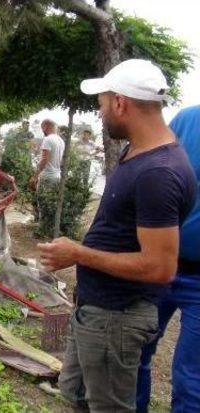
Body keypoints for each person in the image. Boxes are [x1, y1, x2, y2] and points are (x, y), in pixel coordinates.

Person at [37, 59, 197, 412]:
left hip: (117, 316)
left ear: (121, 103)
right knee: (76, 393)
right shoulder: (137, 151)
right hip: (98, 308)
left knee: (108, 405)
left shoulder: (158, 172)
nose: (100, 113)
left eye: (102, 104)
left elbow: (159, 268)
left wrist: (78, 253)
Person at [136, 105, 200, 413]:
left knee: (191, 375)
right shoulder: (188, 119)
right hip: (156, 266)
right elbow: (149, 162)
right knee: (136, 353)